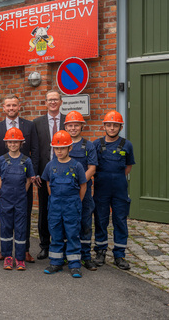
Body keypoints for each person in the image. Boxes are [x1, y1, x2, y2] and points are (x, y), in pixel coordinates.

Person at [0, 94, 39, 263]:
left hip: (24, 181)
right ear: (3, 107)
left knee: (25, 215)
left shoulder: (29, 126)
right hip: (5, 182)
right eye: (8, 105)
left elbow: (35, 151)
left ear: (19, 106)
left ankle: (25, 251)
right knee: (6, 216)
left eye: (14, 105)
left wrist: (31, 177)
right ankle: (5, 251)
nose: (11, 108)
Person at [92, 110, 135, 270]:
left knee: (120, 221)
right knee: (101, 220)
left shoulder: (127, 144)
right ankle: (100, 251)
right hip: (101, 190)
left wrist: (116, 177)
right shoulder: (97, 144)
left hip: (120, 190)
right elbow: (92, 166)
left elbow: (128, 167)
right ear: (104, 126)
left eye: (115, 125)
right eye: (109, 125)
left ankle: (119, 255)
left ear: (120, 126)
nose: (111, 128)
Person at [41, 130, 87, 278]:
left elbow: (83, 186)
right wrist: (55, 199)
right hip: (55, 204)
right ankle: (56, 262)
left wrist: (75, 202)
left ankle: (74, 265)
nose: (59, 151)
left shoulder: (77, 166)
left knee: (73, 233)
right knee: (55, 233)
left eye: (62, 148)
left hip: (71, 204)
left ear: (70, 148)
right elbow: (48, 184)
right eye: (56, 148)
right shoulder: (50, 165)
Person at [0, 127, 35, 271]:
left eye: (16, 142)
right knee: (5, 227)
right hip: (6, 199)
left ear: (21, 143)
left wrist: (23, 192)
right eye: (10, 142)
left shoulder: (26, 161)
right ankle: (7, 257)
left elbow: (30, 179)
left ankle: (20, 258)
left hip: (21, 199)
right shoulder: (1, 160)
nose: (13, 144)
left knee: (20, 228)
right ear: (6, 143)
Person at [33, 90, 66, 260]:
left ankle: (63, 245)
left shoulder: (68, 121)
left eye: (55, 99)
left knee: (65, 210)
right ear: (45, 103)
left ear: (60, 102)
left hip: (65, 172)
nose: (52, 102)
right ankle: (44, 245)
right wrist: (36, 172)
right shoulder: (37, 123)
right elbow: (35, 150)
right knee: (44, 210)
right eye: (49, 100)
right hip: (44, 174)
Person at [64, 111, 98, 271]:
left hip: (84, 191)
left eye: (76, 125)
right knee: (67, 223)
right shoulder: (62, 143)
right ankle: (67, 254)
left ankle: (85, 256)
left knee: (85, 223)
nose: (73, 128)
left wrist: (80, 181)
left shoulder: (88, 146)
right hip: (66, 191)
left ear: (82, 126)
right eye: (70, 125)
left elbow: (92, 168)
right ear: (66, 127)